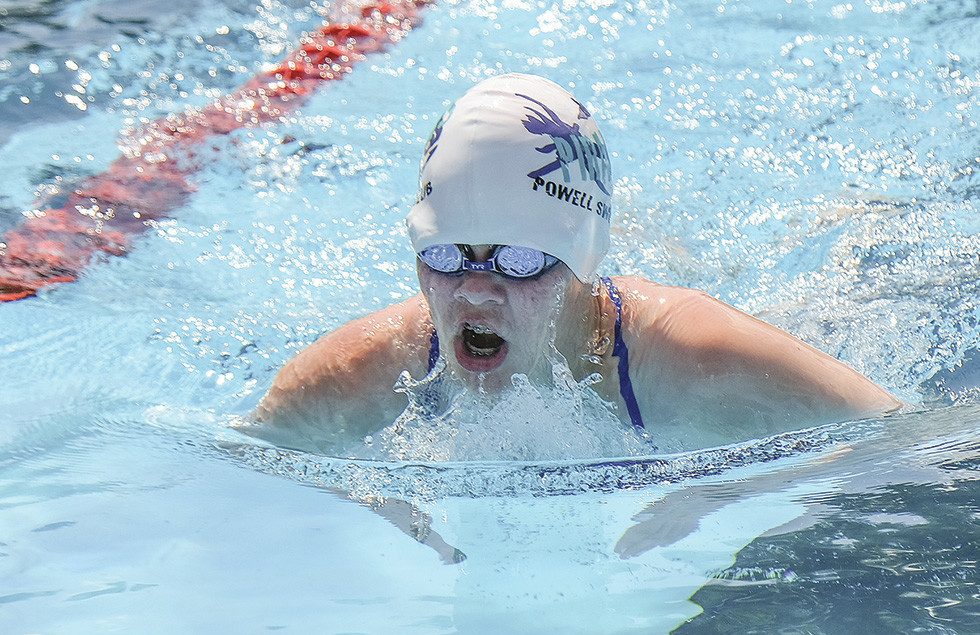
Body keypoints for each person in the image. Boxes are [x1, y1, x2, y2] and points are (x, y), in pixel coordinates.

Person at [242, 73, 900, 453]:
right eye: (446, 254)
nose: (474, 292)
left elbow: (909, 441)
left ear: (584, 260)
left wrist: (711, 496)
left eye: (520, 259)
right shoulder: (361, 371)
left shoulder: (701, 362)